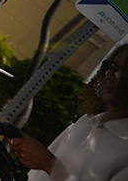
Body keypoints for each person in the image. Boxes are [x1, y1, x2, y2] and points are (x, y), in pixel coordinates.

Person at [8, 43, 128, 181]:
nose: (108, 76)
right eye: (108, 67)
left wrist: (49, 164)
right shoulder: (86, 122)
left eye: (120, 70)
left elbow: (47, 163)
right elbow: (37, 174)